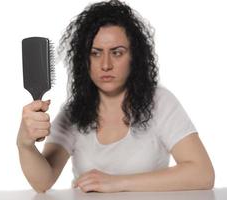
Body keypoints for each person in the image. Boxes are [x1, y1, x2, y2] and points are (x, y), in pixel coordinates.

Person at [16, 0, 215, 193]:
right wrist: (24, 143)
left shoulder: (159, 102)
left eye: (117, 53)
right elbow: (42, 182)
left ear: (134, 57)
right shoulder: (73, 112)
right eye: (95, 53)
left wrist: (116, 183)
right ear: (83, 60)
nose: (105, 65)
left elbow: (202, 173)